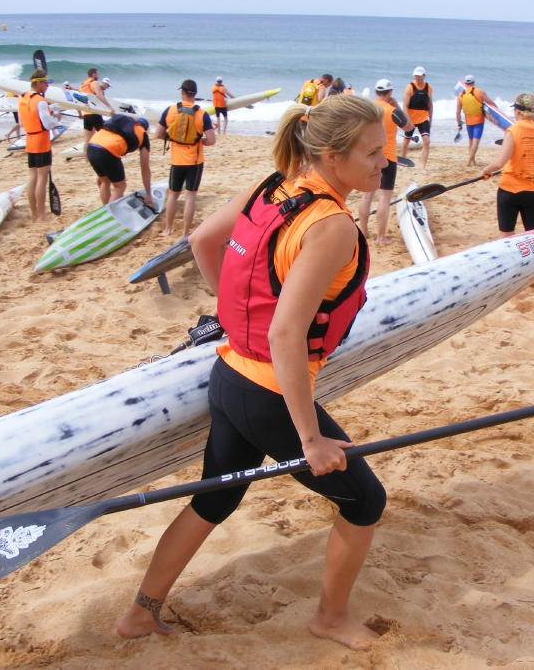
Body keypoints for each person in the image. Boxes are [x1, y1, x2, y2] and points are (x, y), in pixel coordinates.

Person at [115, 94, 387, 651]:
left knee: (214, 499)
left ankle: (140, 615)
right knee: (365, 501)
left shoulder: (274, 185)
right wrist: (310, 439)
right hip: (267, 396)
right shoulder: (331, 225)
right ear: (333, 157)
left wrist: (235, 313)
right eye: (373, 153)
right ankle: (330, 618)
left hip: (229, 377)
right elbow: (286, 334)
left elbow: (202, 241)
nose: (385, 162)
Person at [481, 93, 534, 240]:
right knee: (533, 237)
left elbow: (500, 163)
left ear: (517, 112)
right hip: (533, 192)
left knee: (507, 236)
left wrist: (486, 170)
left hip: (509, 191)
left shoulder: (513, 130)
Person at [358, 78, 415, 244]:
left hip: (369, 156)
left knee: (367, 196)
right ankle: (380, 237)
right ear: (389, 93)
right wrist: (397, 106)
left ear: (376, 92)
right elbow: (409, 127)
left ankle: (364, 232)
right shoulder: (392, 111)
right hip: (387, 158)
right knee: (384, 198)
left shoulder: (367, 109)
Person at [156, 79, 215, 236]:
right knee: (190, 196)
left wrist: (174, 139)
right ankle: (185, 233)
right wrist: (197, 141)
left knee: (173, 195)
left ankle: (168, 229)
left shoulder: (170, 110)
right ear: (195, 94)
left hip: (177, 161)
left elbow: (158, 134)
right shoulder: (202, 114)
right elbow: (211, 140)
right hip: (195, 162)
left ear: (182, 92)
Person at [18, 69, 61, 221]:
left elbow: (22, 122)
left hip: (30, 140)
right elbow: (47, 124)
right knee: (42, 179)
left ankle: (34, 214)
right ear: (40, 83)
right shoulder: (40, 101)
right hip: (41, 141)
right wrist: (57, 119)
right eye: (46, 83)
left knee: (32, 177)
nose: (47, 86)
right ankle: (42, 215)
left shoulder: (22, 98)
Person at [86, 114, 154, 206]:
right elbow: (145, 167)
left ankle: (106, 208)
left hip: (92, 146)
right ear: (145, 128)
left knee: (105, 182)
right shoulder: (143, 133)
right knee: (120, 187)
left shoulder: (121, 119)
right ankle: (109, 212)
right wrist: (148, 193)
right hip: (108, 151)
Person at [456, 75, 496, 167]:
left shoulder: (461, 94)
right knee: (476, 142)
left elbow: (458, 112)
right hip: (479, 121)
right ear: (473, 82)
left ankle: (473, 161)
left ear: (465, 83)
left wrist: (459, 123)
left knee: (471, 141)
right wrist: (497, 111)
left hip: (468, 121)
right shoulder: (480, 92)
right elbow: (490, 102)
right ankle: (469, 161)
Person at [401, 67, 433, 169]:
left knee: (427, 141)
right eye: (416, 76)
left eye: (419, 76)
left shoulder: (428, 87)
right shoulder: (410, 87)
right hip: (411, 119)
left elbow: (430, 105)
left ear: (424, 76)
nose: (417, 78)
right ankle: (402, 161)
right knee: (406, 142)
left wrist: (430, 119)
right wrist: (407, 121)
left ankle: (422, 166)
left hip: (423, 119)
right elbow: (405, 106)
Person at [80, 69, 113, 143]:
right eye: (98, 74)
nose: (98, 76)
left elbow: (78, 100)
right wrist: (109, 107)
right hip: (94, 113)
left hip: (86, 114)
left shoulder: (83, 84)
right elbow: (99, 95)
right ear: (94, 74)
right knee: (104, 136)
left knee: (88, 141)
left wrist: (80, 113)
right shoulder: (94, 82)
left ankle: (88, 151)